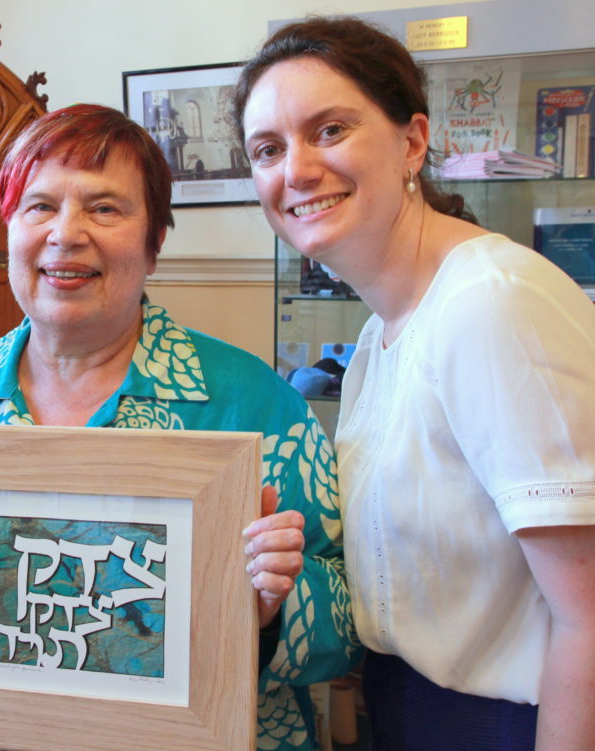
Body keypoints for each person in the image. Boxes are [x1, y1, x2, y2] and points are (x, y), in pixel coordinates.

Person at [0, 103, 362, 751]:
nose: (66, 233)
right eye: (38, 206)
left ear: (155, 243)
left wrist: (269, 607)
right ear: (9, 230)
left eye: (105, 208)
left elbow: (345, 625)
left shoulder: (251, 403)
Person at [235, 16, 595, 751]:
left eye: (329, 130)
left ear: (412, 141)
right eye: (268, 149)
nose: (295, 170)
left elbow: (589, 615)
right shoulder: (381, 332)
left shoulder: (493, 301)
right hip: (405, 708)